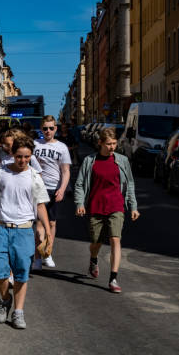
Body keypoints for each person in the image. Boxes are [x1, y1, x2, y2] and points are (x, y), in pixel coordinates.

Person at [0, 136, 52, 329]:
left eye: (27, 157)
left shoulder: (34, 176)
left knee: (21, 273)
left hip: (24, 230)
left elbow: (40, 205)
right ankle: (5, 299)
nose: (23, 160)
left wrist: (47, 229)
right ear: (13, 154)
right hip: (2, 227)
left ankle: (18, 312)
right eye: (19, 156)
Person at [74, 127, 140, 293]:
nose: (112, 147)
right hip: (96, 206)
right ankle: (94, 258)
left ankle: (113, 278)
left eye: (114, 143)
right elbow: (80, 183)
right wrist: (80, 203)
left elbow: (129, 184)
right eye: (108, 144)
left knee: (115, 240)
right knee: (96, 242)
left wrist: (133, 206)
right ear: (100, 143)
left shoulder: (122, 160)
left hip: (116, 205)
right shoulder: (90, 161)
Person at [32, 115, 71, 270]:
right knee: (40, 223)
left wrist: (62, 188)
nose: (48, 131)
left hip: (54, 188)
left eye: (51, 128)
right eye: (45, 128)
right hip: (38, 188)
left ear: (56, 129)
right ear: (41, 129)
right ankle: (37, 258)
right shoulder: (35, 144)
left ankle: (48, 252)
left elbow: (66, 170)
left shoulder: (62, 147)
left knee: (52, 223)